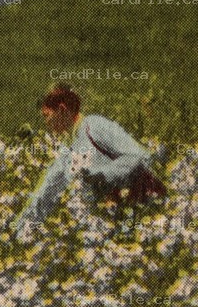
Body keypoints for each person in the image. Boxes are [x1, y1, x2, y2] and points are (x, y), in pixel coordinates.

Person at [15, 84, 166, 240]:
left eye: (47, 116)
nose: (46, 123)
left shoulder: (94, 126)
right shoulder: (69, 146)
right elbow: (48, 189)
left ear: (61, 110)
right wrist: (20, 227)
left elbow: (139, 156)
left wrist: (103, 174)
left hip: (144, 206)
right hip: (106, 220)